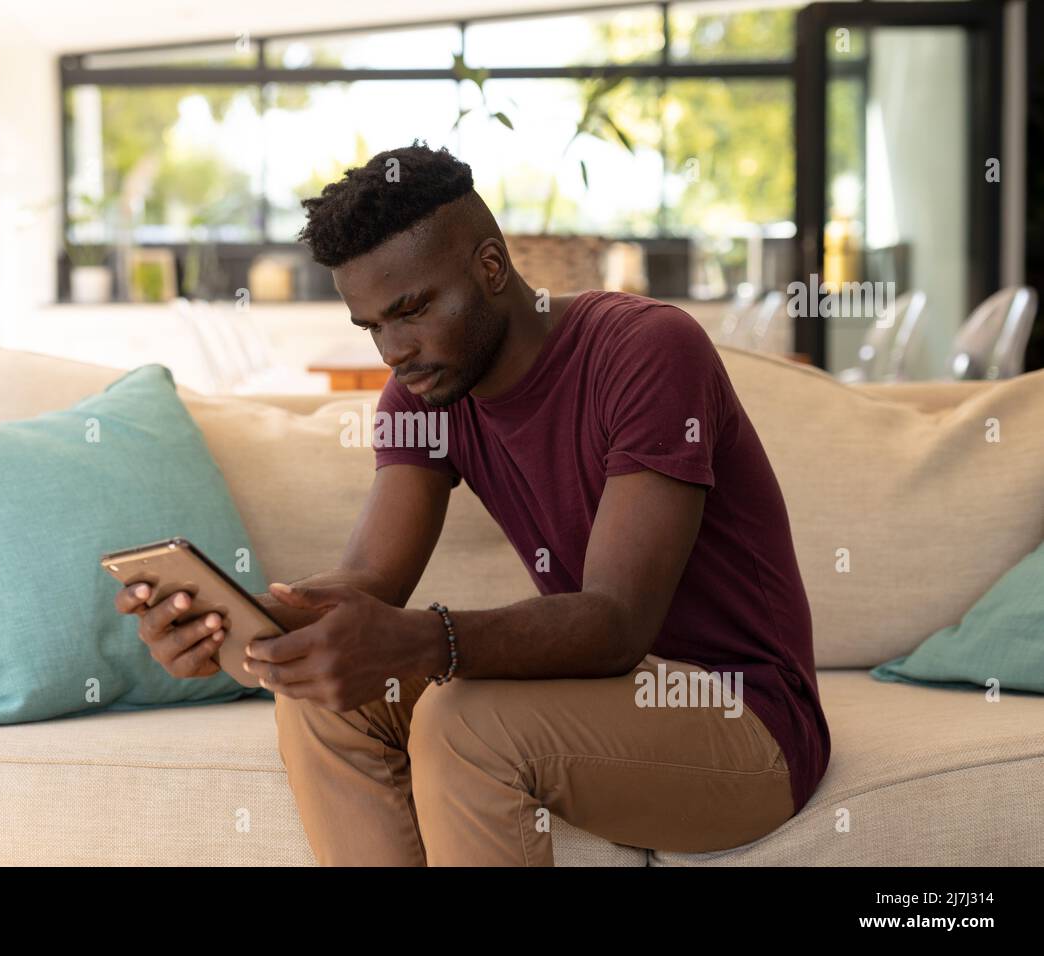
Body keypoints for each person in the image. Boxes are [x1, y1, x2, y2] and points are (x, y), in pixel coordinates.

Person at [115, 139, 830, 866]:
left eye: (411, 310)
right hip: (592, 699)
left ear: (490, 267)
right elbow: (370, 582)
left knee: (466, 720)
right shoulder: (423, 393)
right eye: (372, 327)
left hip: (743, 718)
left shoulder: (647, 349)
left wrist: (428, 641)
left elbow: (618, 624)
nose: (393, 350)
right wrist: (249, 626)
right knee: (322, 704)